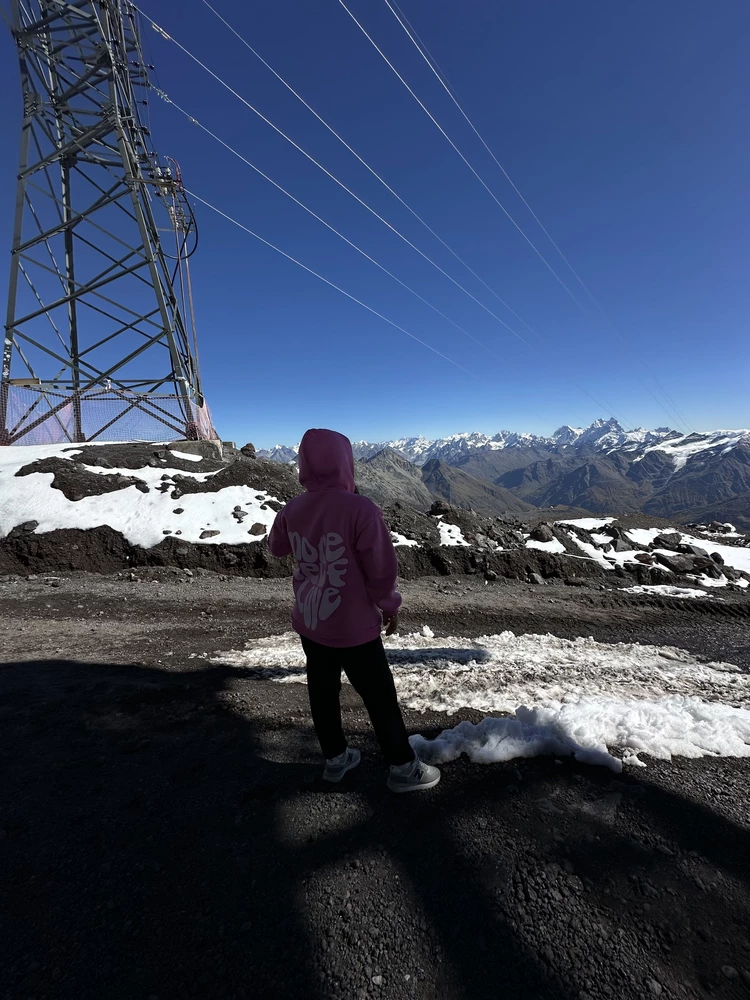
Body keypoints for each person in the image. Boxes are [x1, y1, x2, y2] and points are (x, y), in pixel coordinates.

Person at [268, 428, 440, 793]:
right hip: (353, 627)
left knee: (322, 690)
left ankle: (335, 759)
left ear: (304, 464)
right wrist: (389, 604)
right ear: (345, 463)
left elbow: (277, 548)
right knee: (379, 695)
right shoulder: (362, 509)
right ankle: (402, 767)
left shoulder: (292, 509)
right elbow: (380, 569)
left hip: (310, 622)